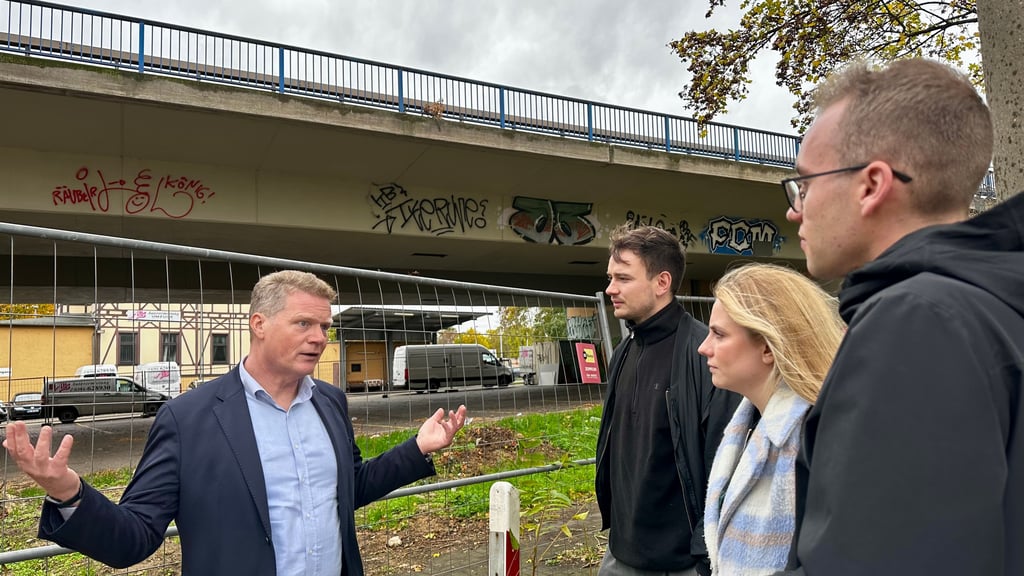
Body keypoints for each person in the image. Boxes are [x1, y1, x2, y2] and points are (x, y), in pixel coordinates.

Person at [4, 270, 468, 576]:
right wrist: (69, 493)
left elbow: (347, 488)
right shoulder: (187, 419)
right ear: (259, 324)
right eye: (304, 324)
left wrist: (418, 449)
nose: (320, 339)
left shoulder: (329, 401)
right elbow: (135, 538)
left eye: (325, 328)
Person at [776, 58, 1024, 575]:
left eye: (805, 184)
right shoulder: (993, 308)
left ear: (871, 185)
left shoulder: (917, 321)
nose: (794, 210)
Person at [596, 224, 741, 576]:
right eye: (611, 277)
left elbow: (725, 461)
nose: (610, 289)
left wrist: (703, 552)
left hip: (680, 562)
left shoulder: (705, 353)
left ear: (662, 283)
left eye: (623, 278)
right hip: (620, 551)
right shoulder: (624, 351)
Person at [697, 264, 843, 576]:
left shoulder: (817, 436)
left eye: (718, 334)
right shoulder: (746, 422)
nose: (703, 347)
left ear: (766, 346)